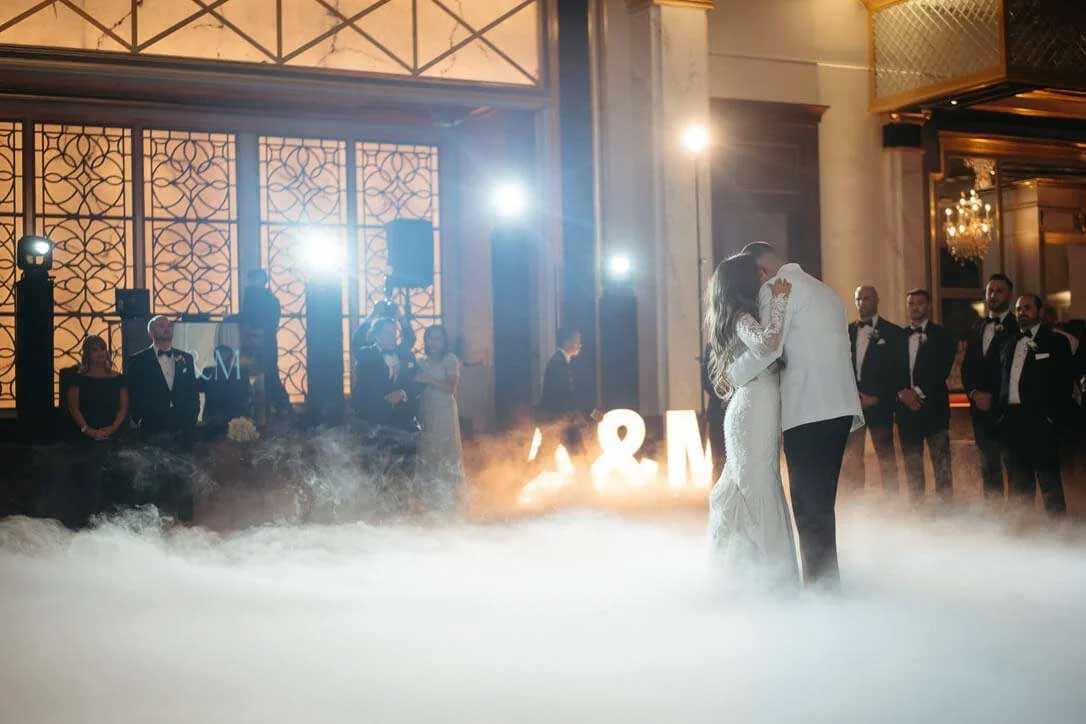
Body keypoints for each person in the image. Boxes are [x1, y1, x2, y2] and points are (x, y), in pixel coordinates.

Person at [725, 242, 863, 588]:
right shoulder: (828, 291)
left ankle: (822, 593)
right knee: (821, 506)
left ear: (761, 271)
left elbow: (768, 349)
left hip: (807, 410)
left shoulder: (776, 289)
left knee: (807, 508)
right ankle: (827, 583)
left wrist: (730, 376)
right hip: (842, 409)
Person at [704, 253, 797, 586]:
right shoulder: (743, 316)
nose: (763, 275)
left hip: (751, 404)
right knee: (759, 482)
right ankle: (774, 578)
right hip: (753, 407)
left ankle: (750, 574)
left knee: (755, 480)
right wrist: (781, 301)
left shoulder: (735, 315)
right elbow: (769, 342)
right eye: (756, 272)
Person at [997, 294, 1072, 514]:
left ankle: (1059, 536)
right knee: (1019, 484)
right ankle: (1024, 534)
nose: (1022, 313)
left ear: (1040, 312)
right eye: (1019, 309)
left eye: (1027, 308)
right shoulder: (1009, 342)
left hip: (1041, 422)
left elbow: (1064, 384)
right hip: (1012, 421)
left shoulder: (1056, 341)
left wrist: (1051, 418)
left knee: (1049, 482)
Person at [127, 315, 200, 521]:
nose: (166, 328)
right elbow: (132, 393)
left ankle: (187, 524)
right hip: (153, 425)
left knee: (184, 475)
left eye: (169, 325)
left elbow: (192, 392)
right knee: (152, 475)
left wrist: (191, 421)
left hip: (182, 427)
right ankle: (152, 522)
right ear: (151, 332)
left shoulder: (186, 357)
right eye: (161, 325)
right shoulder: (137, 360)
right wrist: (139, 418)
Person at [894, 290, 956, 502]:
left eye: (919, 303)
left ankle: (946, 512)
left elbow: (942, 370)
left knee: (942, 465)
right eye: (911, 303)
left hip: (934, 410)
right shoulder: (898, 336)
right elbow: (889, 370)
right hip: (905, 412)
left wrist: (916, 393)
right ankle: (917, 512)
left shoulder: (943, 335)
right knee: (912, 466)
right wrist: (903, 393)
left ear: (928, 306)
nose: (915, 307)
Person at [962, 274, 1018, 501]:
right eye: (990, 291)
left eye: (999, 291)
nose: (993, 295)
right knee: (988, 468)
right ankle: (995, 521)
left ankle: (1019, 520)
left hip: (1007, 411)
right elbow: (967, 368)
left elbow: (1017, 371)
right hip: (980, 411)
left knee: (1015, 467)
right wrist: (974, 394)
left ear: (1009, 294)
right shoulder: (977, 326)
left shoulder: (1017, 327)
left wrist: (994, 397)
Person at [843, 285, 903, 496]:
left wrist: (876, 397)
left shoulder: (893, 333)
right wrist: (853, 397)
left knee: (886, 458)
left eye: (867, 298)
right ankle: (856, 505)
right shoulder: (846, 331)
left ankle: (893, 504)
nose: (862, 303)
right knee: (852, 458)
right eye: (858, 299)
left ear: (877, 300)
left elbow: (897, 372)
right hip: (853, 405)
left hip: (880, 405)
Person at [64, 335, 128, 525]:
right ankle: (88, 522)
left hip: (113, 436)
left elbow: (123, 407)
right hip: (85, 438)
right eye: (94, 349)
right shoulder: (78, 379)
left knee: (113, 479)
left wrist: (112, 429)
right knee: (89, 480)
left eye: (102, 349)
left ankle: (112, 523)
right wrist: (89, 430)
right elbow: (73, 408)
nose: (100, 353)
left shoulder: (118, 378)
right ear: (87, 354)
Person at [415, 325, 465, 508]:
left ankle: (450, 500)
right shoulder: (422, 362)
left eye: (437, 338)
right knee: (428, 452)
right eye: (429, 338)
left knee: (445, 451)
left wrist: (428, 379)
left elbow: (451, 388)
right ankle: (430, 499)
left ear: (444, 342)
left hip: (444, 410)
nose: (433, 342)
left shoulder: (450, 360)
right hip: (427, 409)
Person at [352, 316, 419, 432]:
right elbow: (357, 340)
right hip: (372, 420)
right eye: (387, 332)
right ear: (376, 335)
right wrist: (373, 314)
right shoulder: (365, 354)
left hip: (402, 420)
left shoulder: (404, 354)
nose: (392, 336)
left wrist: (403, 393)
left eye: (394, 332)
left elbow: (416, 381)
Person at [240, 268, 289, 413]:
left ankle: (277, 407)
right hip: (259, 343)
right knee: (265, 375)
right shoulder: (269, 300)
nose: (249, 284)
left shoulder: (259, 299)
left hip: (262, 344)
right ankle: (276, 407)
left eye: (252, 281)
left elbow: (265, 323)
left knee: (268, 374)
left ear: (260, 281)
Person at [197, 345, 251, 439]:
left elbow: (197, 387)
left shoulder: (209, 371)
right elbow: (248, 396)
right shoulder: (242, 373)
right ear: (231, 358)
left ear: (215, 358)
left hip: (212, 423)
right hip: (236, 424)